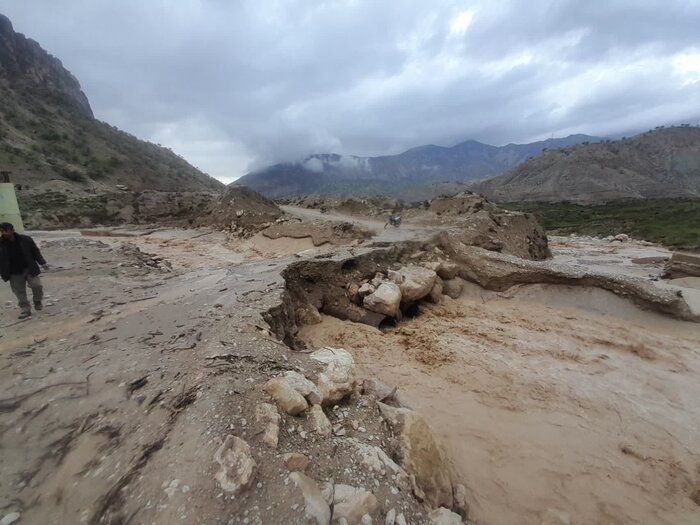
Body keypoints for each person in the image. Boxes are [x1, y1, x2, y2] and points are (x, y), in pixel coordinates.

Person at [0, 223, 48, 319]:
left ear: (12, 230)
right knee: (19, 292)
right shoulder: (0, 244)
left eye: (6, 230)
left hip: (29, 268)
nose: (4, 233)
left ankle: (37, 300)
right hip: (13, 272)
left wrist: (43, 263)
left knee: (37, 285)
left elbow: (35, 251)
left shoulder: (25, 239)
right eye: (2, 231)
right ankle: (25, 309)